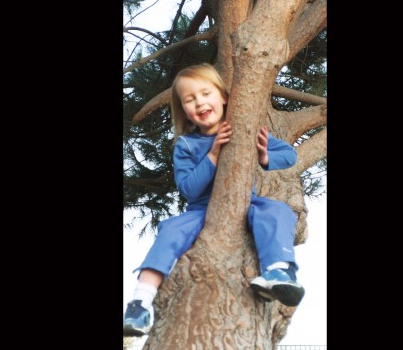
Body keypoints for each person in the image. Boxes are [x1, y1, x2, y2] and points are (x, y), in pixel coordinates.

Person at [123, 63, 304, 337]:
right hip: (200, 210)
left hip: (246, 201)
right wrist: (213, 155)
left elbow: (290, 155)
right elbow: (189, 190)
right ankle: (140, 303)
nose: (199, 102)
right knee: (170, 230)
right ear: (185, 111)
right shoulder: (185, 145)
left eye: (205, 93)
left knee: (277, 211)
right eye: (189, 99)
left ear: (223, 97)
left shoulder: (245, 129)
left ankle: (279, 271)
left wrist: (265, 155)